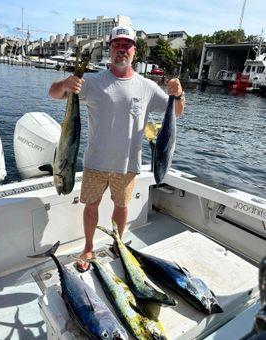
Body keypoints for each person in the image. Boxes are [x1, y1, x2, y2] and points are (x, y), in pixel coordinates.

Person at [49, 25, 185, 272]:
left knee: (121, 207)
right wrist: (65, 83)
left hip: (127, 165)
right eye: (117, 45)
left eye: (127, 45)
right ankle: (89, 247)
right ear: (110, 47)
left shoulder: (147, 87)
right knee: (91, 206)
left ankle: (117, 244)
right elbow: (54, 93)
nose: (122, 49)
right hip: (95, 163)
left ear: (135, 50)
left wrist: (179, 94)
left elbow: (176, 111)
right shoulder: (91, 81)